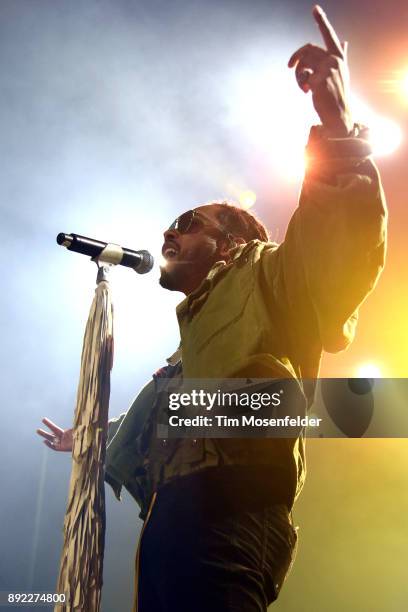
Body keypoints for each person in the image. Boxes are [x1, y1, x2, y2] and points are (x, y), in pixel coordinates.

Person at [37, 6, 387, 611]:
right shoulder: (191, 343)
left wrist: (339, 128)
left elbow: (340, 244)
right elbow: (169, 412)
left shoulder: (270, 274)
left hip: (231, 502)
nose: (167, 236)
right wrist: (94, 436)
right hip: (173, 514)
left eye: (186, 224)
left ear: (228, 243)